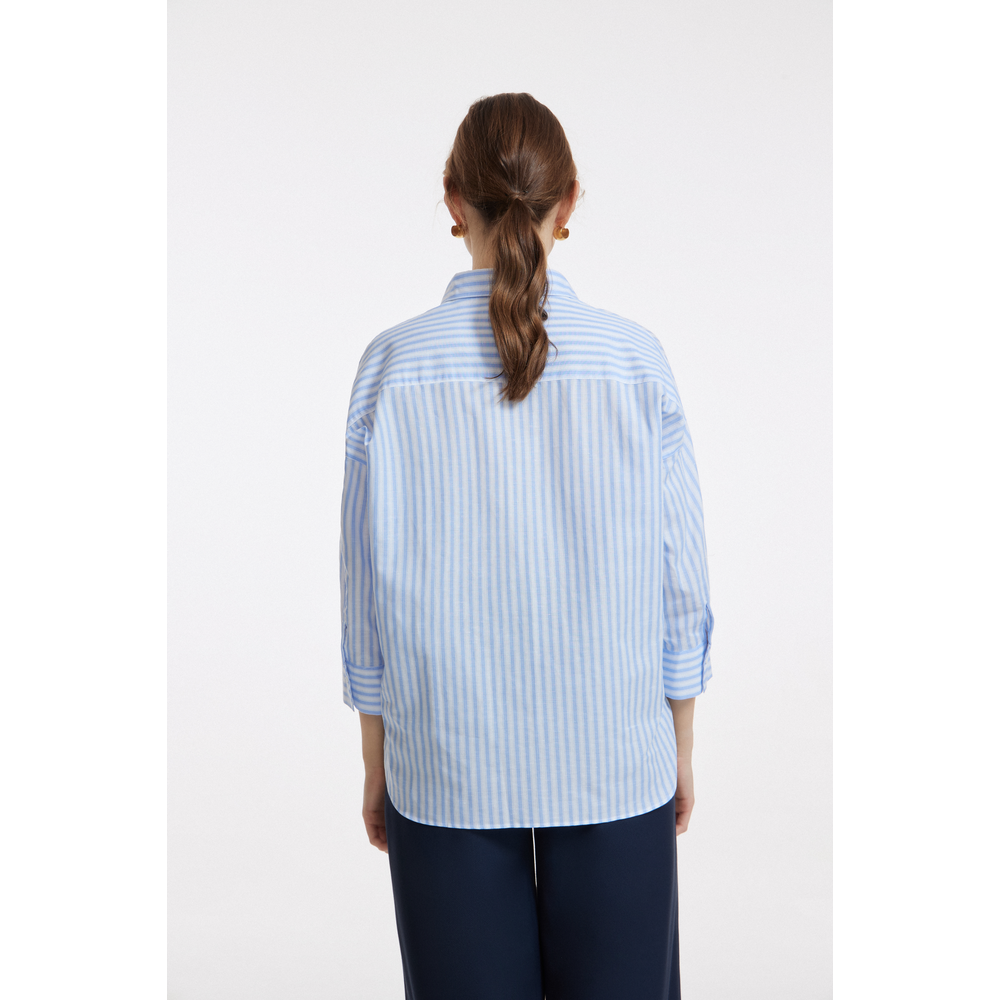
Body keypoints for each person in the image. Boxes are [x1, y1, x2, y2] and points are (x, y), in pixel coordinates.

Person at [339, 92, 714, 1000]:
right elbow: (681, 585)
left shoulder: (392, 367)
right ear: (569, 201)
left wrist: (377, 762)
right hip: (615, 765)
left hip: (445, 770)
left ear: (452, 200)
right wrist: (679, 746)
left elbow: (365, 595)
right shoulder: (634, 360)